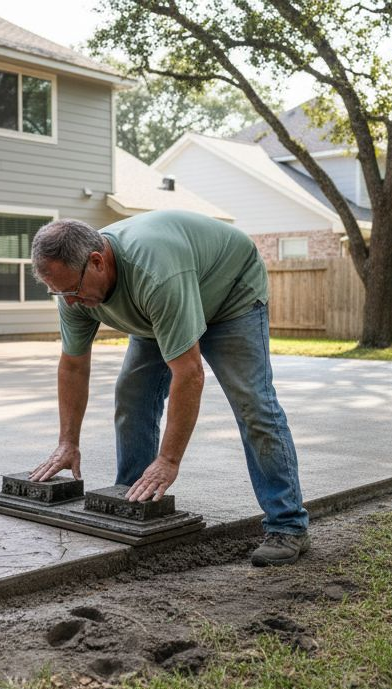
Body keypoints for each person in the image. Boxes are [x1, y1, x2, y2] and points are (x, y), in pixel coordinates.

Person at [27, 209, 310, 566]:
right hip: (160, 309)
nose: (68, 301)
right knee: (132, 395)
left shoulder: (154, 273)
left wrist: (169, 459)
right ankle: (134, 502)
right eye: (58, 292)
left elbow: (189, 374)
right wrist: (68, 441)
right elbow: (73, 365)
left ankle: (287, 525)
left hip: (229, 293)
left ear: (98, 261)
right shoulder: (74, 288)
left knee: (253, 404)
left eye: (71, 291)